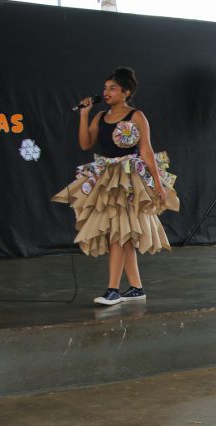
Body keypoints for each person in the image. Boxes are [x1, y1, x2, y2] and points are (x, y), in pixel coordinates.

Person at [52, 66, 180, 306]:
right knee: (120, 233)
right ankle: (136, 287)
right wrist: (84, 114)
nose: (107, 92)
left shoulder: (136, 116)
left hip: (129, 179)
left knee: (119, 232)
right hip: (107, 177)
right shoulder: (100, 117)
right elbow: (85, 143)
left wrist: (158, 185)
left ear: (126, 92)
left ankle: (112, 289)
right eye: (105, 88)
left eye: (113, 88)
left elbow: (146, 150)